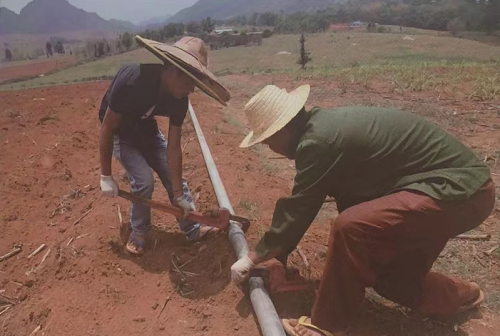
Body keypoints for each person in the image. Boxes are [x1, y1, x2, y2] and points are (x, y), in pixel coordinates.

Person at [230, 85, 495, 336]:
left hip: (460, 189)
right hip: (445, 190)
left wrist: (253, 257)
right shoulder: (322, 131)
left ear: (283, 130)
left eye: (267, 141)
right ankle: (462, 295)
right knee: (386, 274)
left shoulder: (318, 142)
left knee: (351, 227)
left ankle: (327, 326)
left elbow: (299, 207)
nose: (269, 148)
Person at [98, 36, 230, 255]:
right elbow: (107, 127)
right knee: (143, 180)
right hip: (121, 133)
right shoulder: (133, 79)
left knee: (173, 175)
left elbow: (174, 148)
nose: (193, 89)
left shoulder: (180, 99)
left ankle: (193, 228)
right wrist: (105, 176)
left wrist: (179, 195)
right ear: (175, 71)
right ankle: (139, 231)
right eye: (191, 82)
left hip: (146, 130)